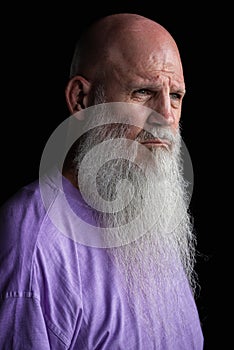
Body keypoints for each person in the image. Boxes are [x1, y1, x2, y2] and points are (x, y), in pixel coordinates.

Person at [0, 13, 204, 349]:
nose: (166, 117)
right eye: (143, 92)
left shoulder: (154, 221)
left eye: (176, 96)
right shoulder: (31, 237)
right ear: (81, 99)